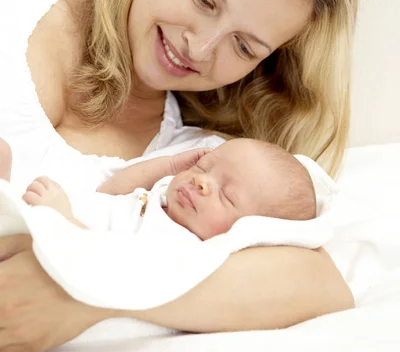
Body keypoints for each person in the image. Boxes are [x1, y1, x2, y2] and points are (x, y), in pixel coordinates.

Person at [0, 0, 357, 352]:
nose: (200, 47)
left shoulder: (192, 171)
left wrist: (91, 295)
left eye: (244, 45)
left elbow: (321, 285)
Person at [19, 138, 316, 239]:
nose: (201, 181)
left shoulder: (179, 246)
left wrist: (61, 218)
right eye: (205, 167)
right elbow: (111, 189)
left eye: (226, 195)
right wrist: (171, 166)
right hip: (40, 211)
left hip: (57, 235)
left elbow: (109, 262)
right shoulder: (163, 199)